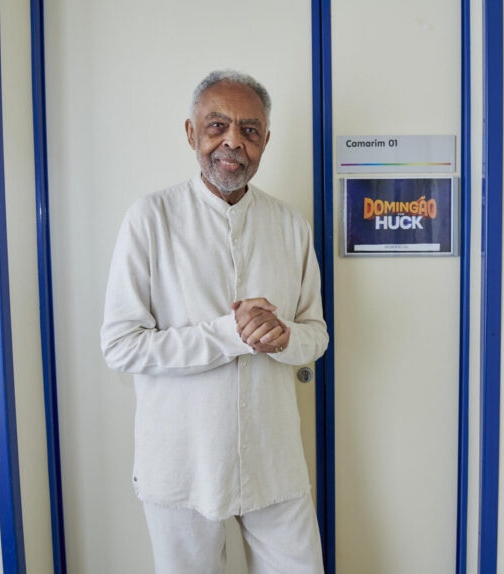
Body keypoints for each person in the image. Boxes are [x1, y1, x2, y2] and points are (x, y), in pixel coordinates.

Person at [100, 70, 329, 574]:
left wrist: (283, 336)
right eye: (217, 125)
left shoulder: (290, 224)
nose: (232, 141)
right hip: (183, 462)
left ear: (265, 140)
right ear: (191, 133)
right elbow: (121, 345)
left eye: (249, 130)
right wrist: (230, 335)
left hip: (273, 458)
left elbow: (316, 333)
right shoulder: (151, 218)